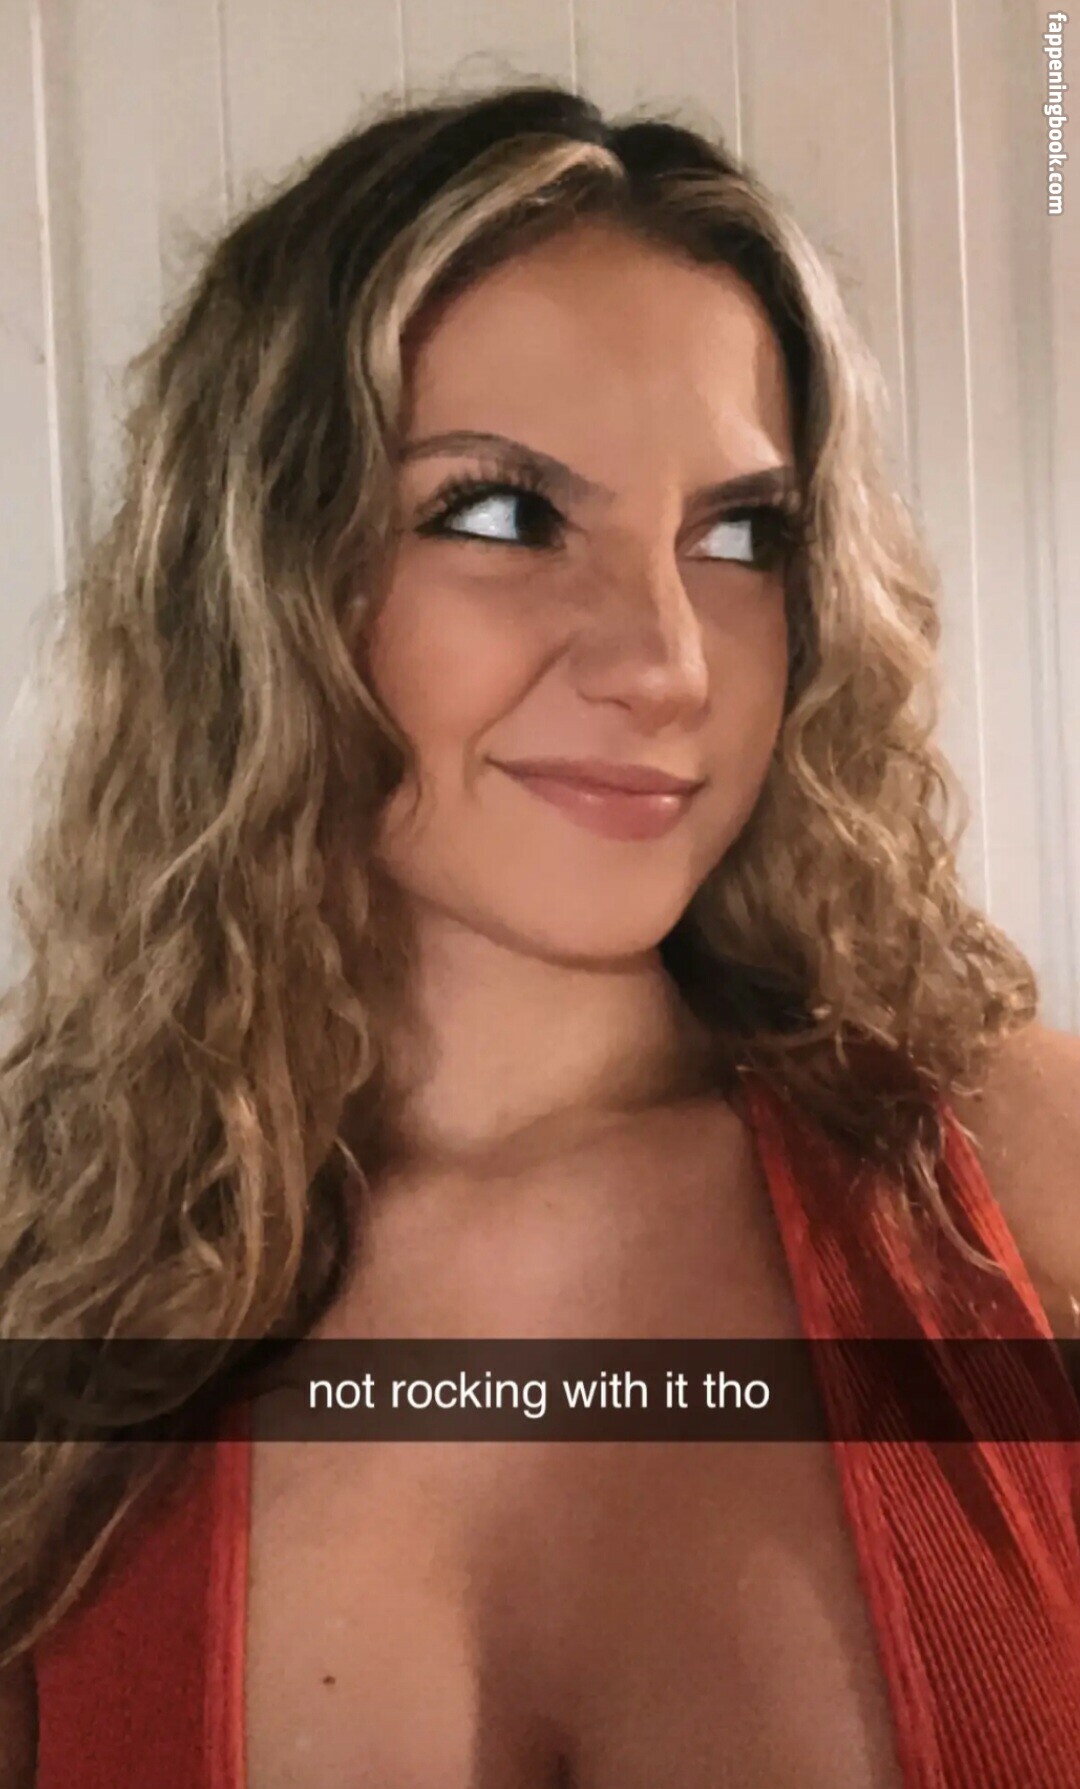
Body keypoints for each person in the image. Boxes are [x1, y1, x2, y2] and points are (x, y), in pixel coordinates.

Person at [1, 81, 1079, 1789]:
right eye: (504, 513)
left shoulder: (1019, 1187)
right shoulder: (48, 1300)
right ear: (262, 586)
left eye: (742, 534)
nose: (667, 660)